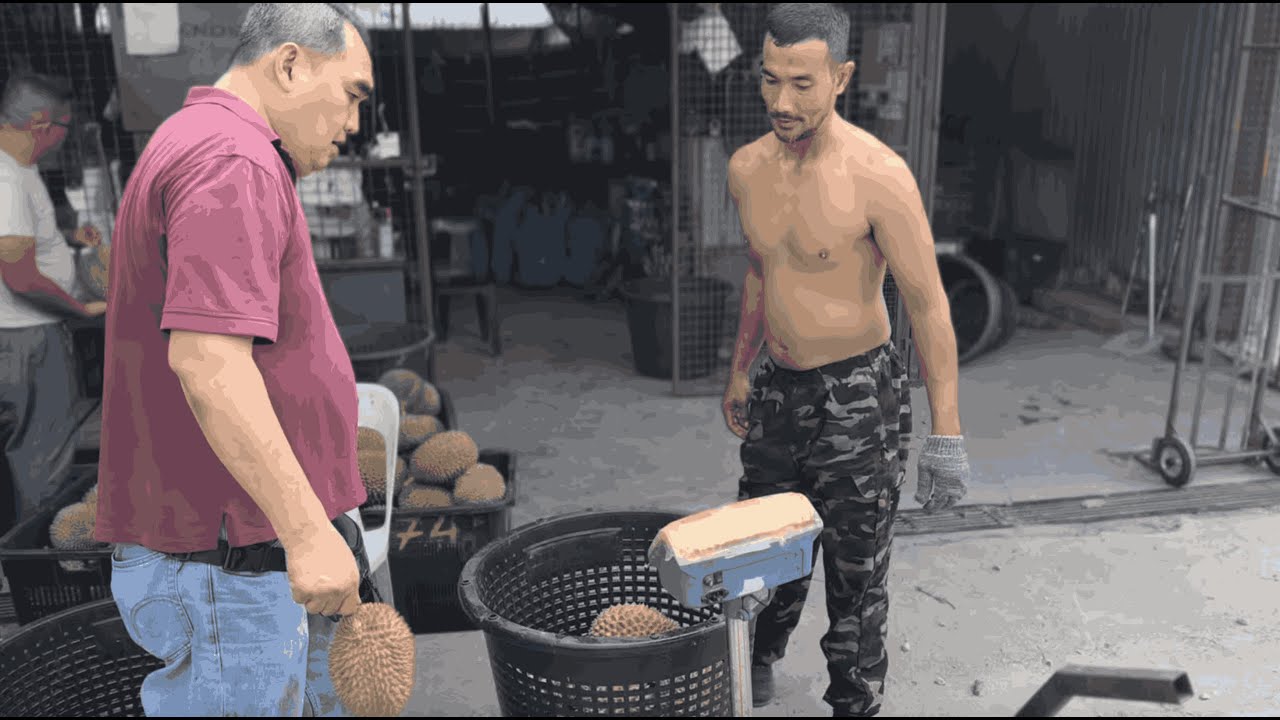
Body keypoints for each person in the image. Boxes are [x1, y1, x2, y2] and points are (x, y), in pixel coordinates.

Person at [93, 4, 377, 715]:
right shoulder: (232, 159)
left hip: (241, 553)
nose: (354, 126)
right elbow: (210, 364)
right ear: (289, 64)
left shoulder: (206, 142)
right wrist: (308, 534)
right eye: (352, 96)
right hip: (227, 565)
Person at [720, 4, 972, 717]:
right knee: (763, 546)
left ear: (842, 77)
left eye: (801, 83)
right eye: (769, 80)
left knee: (856, 570)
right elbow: (760, 275)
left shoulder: (878, 174)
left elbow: (928, 306)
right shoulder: (747, 169)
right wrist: (742, 368)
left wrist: (946, 434)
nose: (780, 102)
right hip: (777, 388)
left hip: (859, 393)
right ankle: (760, 657)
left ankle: (854, 703)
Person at [0, 70, 106, 535]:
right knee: (43, 462)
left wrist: (61, 238)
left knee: (33, 456)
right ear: (42, 125)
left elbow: (18, 243)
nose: (65, 139)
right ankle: (50, 561)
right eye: (64, 127)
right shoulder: (7, 179)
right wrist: (78, 310)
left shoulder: (18, 171)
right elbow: (20, 277)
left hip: (26, 334)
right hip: (26, 337)